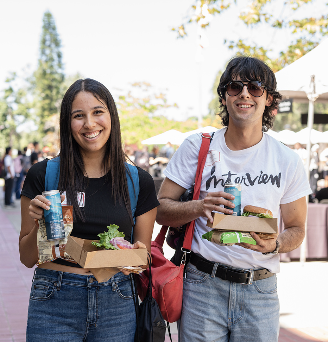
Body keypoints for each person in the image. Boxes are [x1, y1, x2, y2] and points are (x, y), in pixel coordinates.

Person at [156, 56, 312, 342]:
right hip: (202, 285)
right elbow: (161, 210)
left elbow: (298, 228)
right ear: (224, 97)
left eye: (255, 87)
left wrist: (275, 243)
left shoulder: (287, 160)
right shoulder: (197, 146)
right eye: (234, 87)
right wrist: (200, 206)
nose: (244, 94)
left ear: (269, 100)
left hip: (260, 290)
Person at [19, 78, 159, 342]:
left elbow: (144, 258)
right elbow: (27, 259)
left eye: (98, 112)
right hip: (53, 299)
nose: (90, 124)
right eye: (78, 116)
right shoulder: (43, 175)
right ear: (67, 123)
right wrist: (39, 223)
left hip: (116, 301)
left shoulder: (138, 181)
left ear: (111, 117)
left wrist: (134, 259)